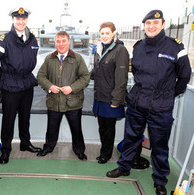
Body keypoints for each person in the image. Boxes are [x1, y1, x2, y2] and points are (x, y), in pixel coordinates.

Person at [106, 10, 192, 195]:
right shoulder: (138, 46)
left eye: (155, 23)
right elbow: (136, 72)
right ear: (144, 25)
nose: (151, 26)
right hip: (137, 103)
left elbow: (184, 76)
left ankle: (160, 180)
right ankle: (124, 167)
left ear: (163, 25)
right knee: (131, 138)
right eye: (148, 23)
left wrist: (168, 94)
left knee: (160, 146)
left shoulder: (175, 47)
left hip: (161, 107)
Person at [0, 7, 41, 165]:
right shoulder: (4, 39)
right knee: (9, 119)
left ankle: (25, 143)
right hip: (10, 85)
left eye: (23, 19)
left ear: (26, 20)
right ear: (13, 20)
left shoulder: (32, 38)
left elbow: (33, 58)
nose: (21, 21)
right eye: (18, 19)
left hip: (26, 83)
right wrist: (4, 76)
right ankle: (6, 150)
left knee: (25, 117)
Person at [36, 30, 90, 161]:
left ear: (69, 42)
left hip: (73, 102)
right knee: (51, 128)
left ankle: (79, 150)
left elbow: (85, 77)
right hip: (54, 101)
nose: (61, 44)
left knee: (76, 129)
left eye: (63, 41)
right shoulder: (49, 59)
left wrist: (72, 88)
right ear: (55, 43)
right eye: (58, 41)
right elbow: (41, 76)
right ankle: (48, 147)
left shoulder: (78, 58)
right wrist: (50, 86)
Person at [90, 22, 129, 164]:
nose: (104, 36)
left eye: (107, 33)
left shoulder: (120, 50)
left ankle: (106, 154)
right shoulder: (100, 49)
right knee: (102, 128)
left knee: (108, 129)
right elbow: (96, 71)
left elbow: (121, 78)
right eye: (102, 33)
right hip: (100, 97)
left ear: (113, 33)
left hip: (111, 98)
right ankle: (104, 151)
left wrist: (116, 100)